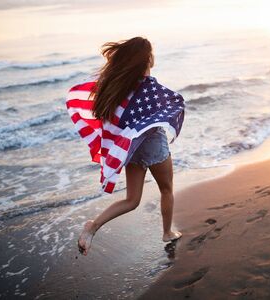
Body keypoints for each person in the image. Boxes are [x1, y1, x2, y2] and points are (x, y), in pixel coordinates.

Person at [77, 37, 183, 256]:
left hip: (131, 148)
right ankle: (167, 232)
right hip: (153, 146)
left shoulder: (120, 88)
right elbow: (171, 103)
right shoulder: (149, 89)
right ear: (148, 59)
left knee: (132, 200)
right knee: (166, 189)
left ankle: (93, 226)